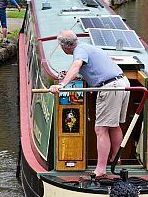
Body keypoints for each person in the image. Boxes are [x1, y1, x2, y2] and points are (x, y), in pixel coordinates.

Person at [49, 30, 130, 178]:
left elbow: (77, 65)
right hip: (123, 83)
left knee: (101, 129)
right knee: (114, 125)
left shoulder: (79, 51)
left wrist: (62, 84)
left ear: (63, 46)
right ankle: (115, 159)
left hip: (110, 87)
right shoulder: (88, 47)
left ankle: (100, 170)